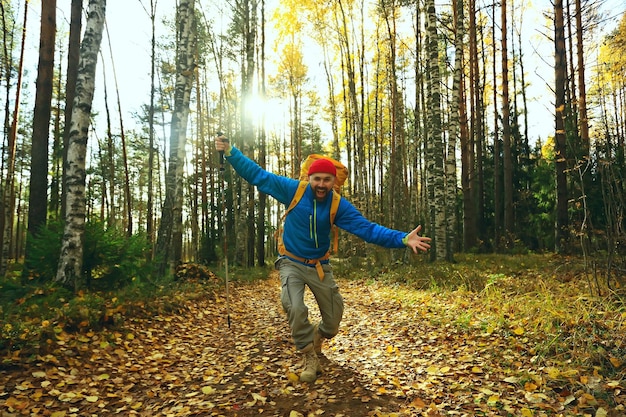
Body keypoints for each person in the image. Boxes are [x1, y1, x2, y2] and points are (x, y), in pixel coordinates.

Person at [215, 135, 431, 383]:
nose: (321, 184)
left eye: (326, 180)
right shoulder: (293, 190)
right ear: (309, 179)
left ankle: (318, 337)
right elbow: (258, 176)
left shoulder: (338, 205)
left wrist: (403, 239)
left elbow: (368, 230)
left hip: (319, 265)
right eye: (317, 178)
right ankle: (308, 355)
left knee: (332, 322)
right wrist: (231, 152)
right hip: (291, 262)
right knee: (294, 307)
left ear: (333, 182)